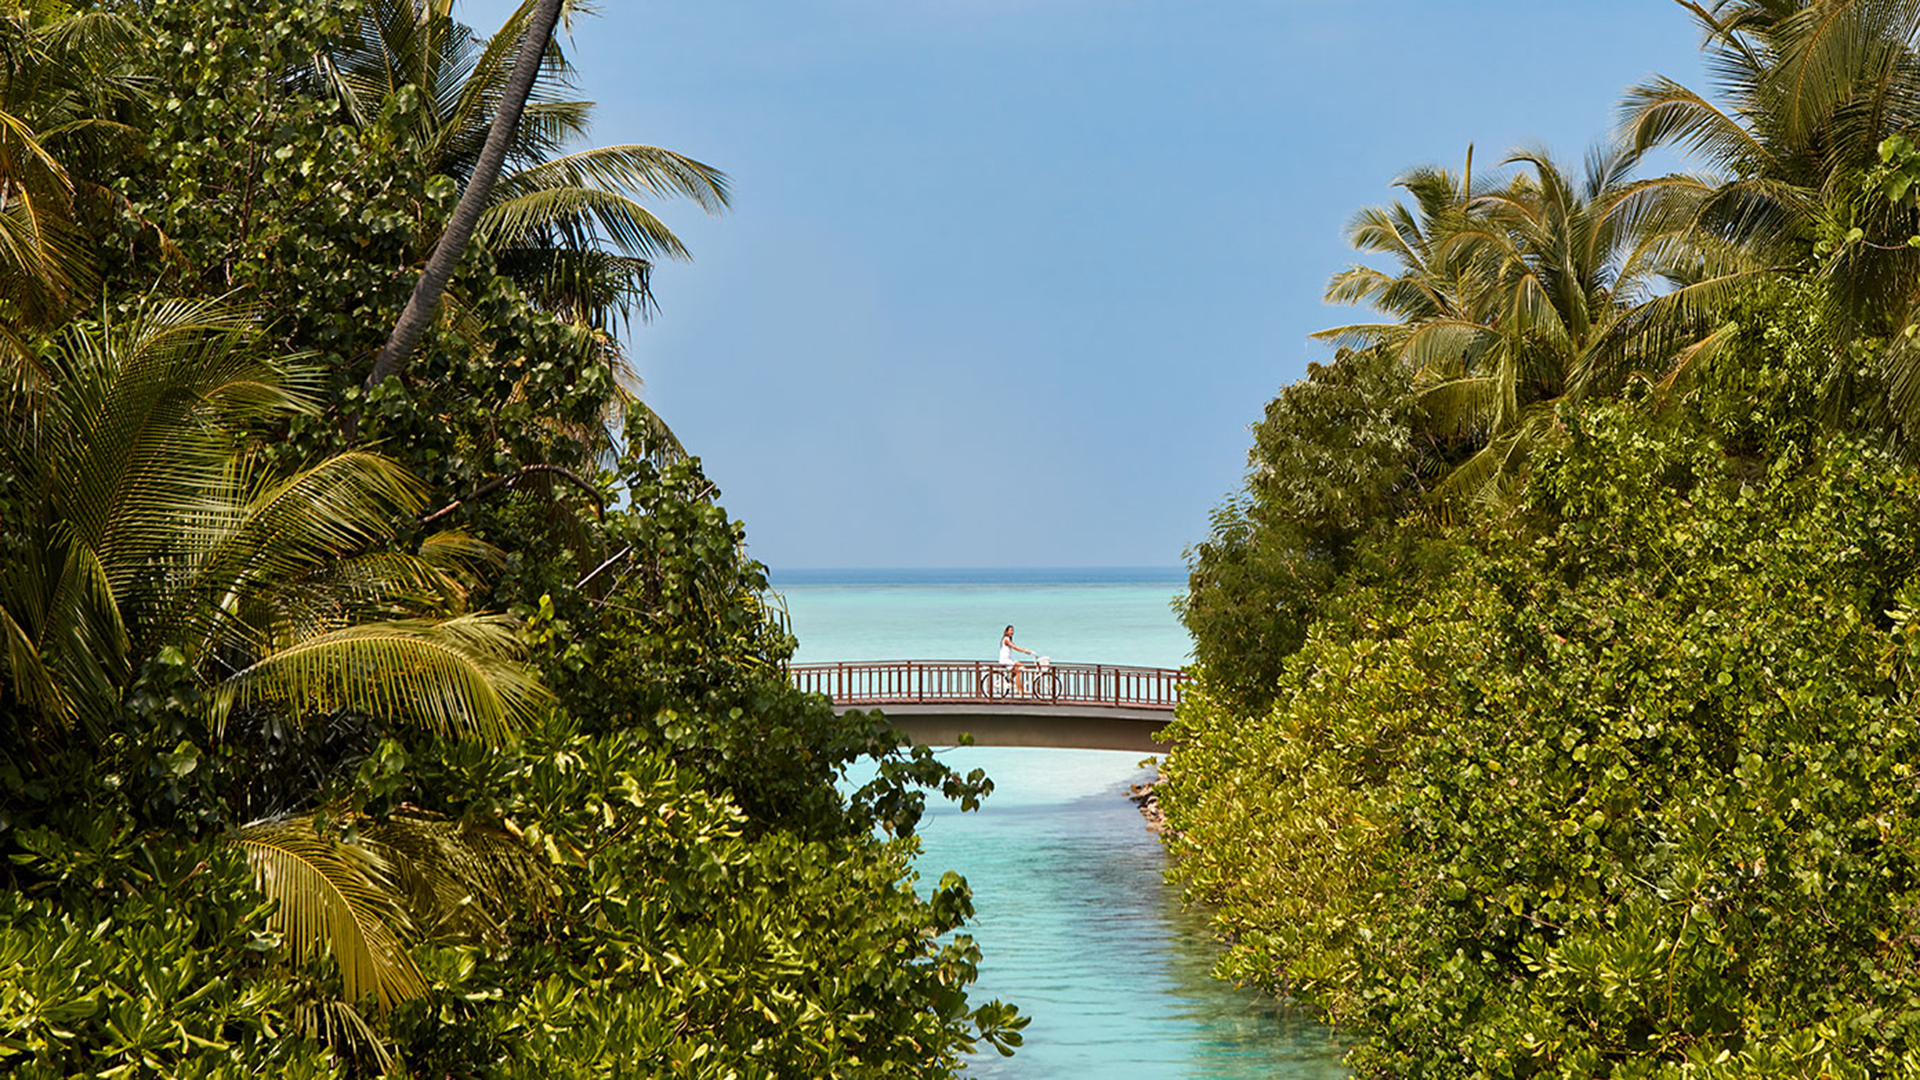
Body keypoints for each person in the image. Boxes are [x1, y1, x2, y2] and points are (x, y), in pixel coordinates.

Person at [1000, 624, 1035, 694]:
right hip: (1005, 660)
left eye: (1013, 631)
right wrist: (1025, 650)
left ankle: (1010, 680)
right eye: (1010, 630)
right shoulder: (1006, 639)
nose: (1012, 632)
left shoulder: (1008, 639)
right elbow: (1014, 647)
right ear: (1006, 631)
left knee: (1022, 666)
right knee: (1018, 671)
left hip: (1009, 659)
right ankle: (1020, 690)